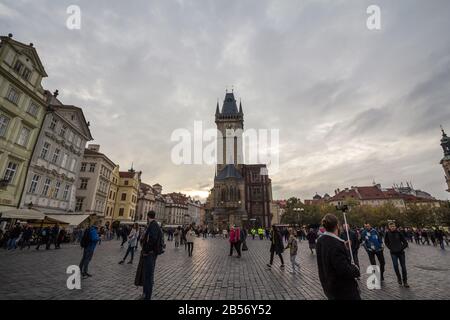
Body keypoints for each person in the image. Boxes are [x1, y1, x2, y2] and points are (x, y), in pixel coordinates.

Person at [316, 214, 361, 300]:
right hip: (343, 290)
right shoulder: (336, 244)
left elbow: (330, 258)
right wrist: (356, 270)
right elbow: (344, 270)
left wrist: (344, 248)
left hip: (328, 286)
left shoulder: (320, 240)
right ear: (337, 226)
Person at [141, 211, 163, 300]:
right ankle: (145, 294)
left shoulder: (153, 225)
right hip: (151, 253)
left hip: (150, 253)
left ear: (148, 216)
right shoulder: (154, 224)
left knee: (149, 275)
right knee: (147, 274)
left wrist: (146, 250)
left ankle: (147, 296)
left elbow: (153, 239)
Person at [384, 222, 409, 287]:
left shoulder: (399, 233)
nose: (392, 227)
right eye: (391, 226)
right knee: (395, 266)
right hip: (393, 253)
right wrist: (390, 248)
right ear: (389, 227)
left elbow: (405, 243)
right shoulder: (387, 233)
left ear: (395, 226)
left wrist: (401, 248)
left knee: (403, 267)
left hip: (401, 253)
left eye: (393, 226)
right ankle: (399, 278)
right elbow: (386, 242)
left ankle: (405, 281)